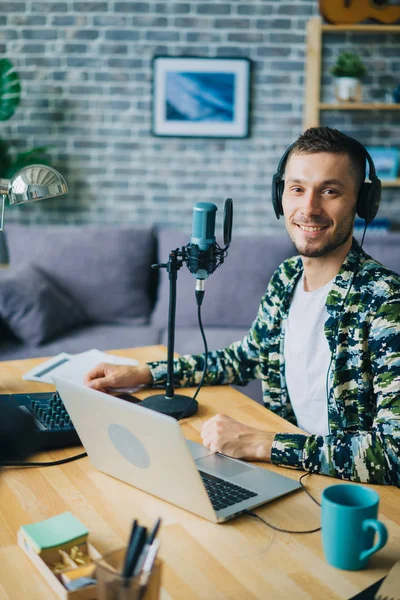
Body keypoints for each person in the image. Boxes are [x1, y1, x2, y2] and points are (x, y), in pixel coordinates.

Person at [85, 127, 400, 486]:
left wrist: (260, 443)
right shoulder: (287, 277)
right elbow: (246, 357)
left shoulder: (384, 300)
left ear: (362, 202)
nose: (308, 208)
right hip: (288, 475)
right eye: (297, 189)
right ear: (279, 196)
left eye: (330, 191)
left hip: (350, 495)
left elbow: (394, 453)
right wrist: (145, 374)